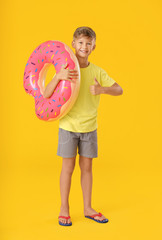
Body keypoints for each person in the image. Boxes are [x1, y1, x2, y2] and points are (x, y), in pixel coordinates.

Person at [43, 26, 123, 226]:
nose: (84, 46)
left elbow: (119, 90)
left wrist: (102, 89)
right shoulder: (65, 70)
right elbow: (46, 94)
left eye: (88, 43)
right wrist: (57, 76)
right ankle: (64, 208)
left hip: (89, 128)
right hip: (68, 127)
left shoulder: (97, 71)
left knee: (87, 168)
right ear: (73, 44)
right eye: (80, 42)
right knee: (67, 168)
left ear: (94, 46)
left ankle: (88, 208)